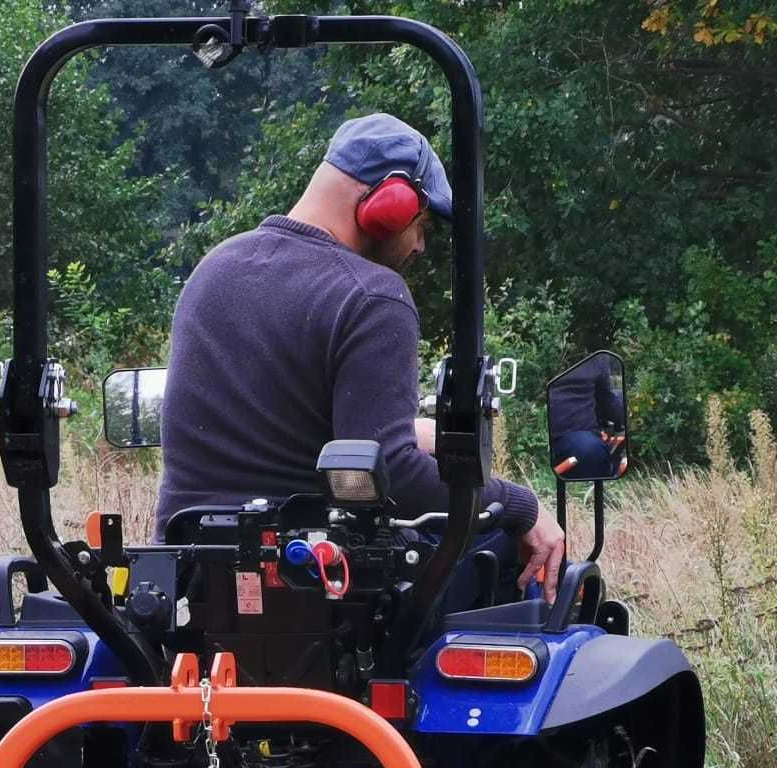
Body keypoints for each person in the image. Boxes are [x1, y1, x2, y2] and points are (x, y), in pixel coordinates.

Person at [155, 113, 566, 601]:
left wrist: (407, 432)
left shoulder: (213, 271)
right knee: (507, 552)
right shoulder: (371, 296)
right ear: (387, 205)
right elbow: (393, 476)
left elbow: (281, 428)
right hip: (315, 593)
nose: (419, 245)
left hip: (189, 583)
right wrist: (521, 506)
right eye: (422, 224)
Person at [547, 353, 628, 481]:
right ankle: (600, 480)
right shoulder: (596, 355)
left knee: (622, 397)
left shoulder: (598, 357)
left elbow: (605, 397)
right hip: (565, 435)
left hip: (579, 429)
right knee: (588, 447)